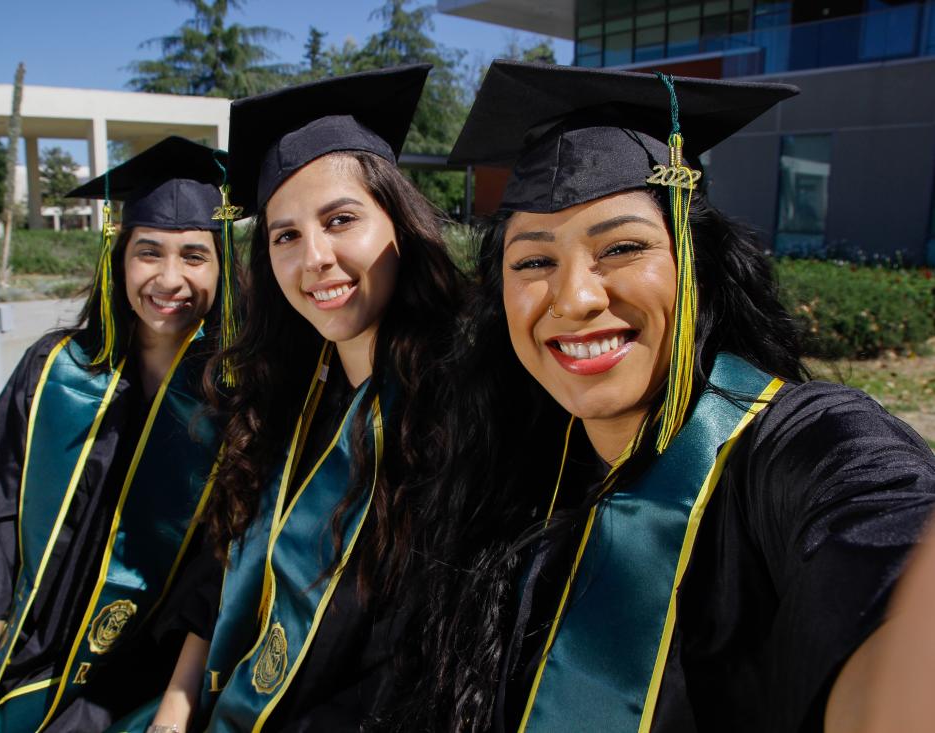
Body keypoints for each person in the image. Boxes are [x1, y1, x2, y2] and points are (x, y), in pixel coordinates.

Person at [385, 61, 935, 732]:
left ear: (695, 264)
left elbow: (883, 528)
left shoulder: (791, 446)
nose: (577, 297)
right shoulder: (510, 465)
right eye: (533, 261)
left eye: (621, 247)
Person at [146, 64, 467, 733]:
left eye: (340, 219)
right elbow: (223, 570)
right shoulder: (284, 394)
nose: (313, 256)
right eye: (285, 234)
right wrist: (174, 712)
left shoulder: (461, 411)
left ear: (399, 224)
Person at [0, 136, 237, 733]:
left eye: (195, 255)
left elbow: (223, 564)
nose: (170, 278)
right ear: (118, 259)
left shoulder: (237, 400)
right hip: (21, 643)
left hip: (144, 664)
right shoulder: (55, 369)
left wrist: (178, 701)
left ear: (222, 269)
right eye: (148, 252)